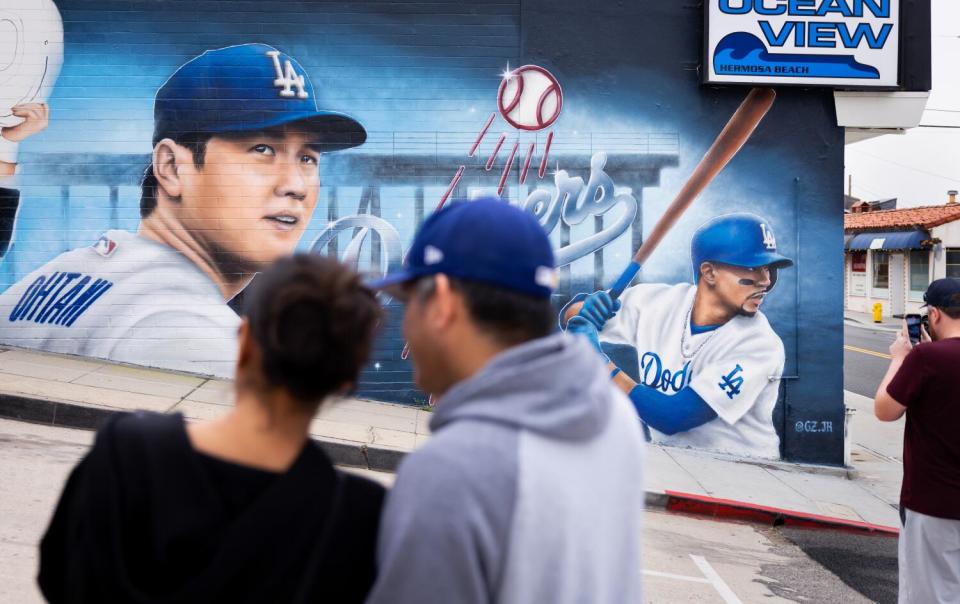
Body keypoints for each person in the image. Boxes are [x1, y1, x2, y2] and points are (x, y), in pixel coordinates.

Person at [0, 43, 366, 377]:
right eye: (262, 150)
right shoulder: (197, 341)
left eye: (307, 158)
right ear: (172, 167)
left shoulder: (50, 279)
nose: (296, 185)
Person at [38, 254, 385, 603]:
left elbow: (57, 575)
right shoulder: (357, 516)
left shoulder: (126, 453)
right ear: (346, 380)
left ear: (245, 341)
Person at [365, 198, 644, 604]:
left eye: (410, 302)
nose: (406, 323)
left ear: (442, 303)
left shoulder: (451, 471)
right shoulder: (613, 417)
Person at [562, 213, 793, 460]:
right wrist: (585, 309)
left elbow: (674, 416)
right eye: (752, 267)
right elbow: (570, 316)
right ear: (709, 273)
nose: (765, 281)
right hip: (674, 459)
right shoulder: (661, 302)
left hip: (742, 469)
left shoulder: (760, 345)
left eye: (768, 269)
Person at [874, 278, 960, 604]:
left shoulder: (926, 358)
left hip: (932, 503)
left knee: (927, 595)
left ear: (934, 315)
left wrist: (900, 357)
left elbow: (885, 410)